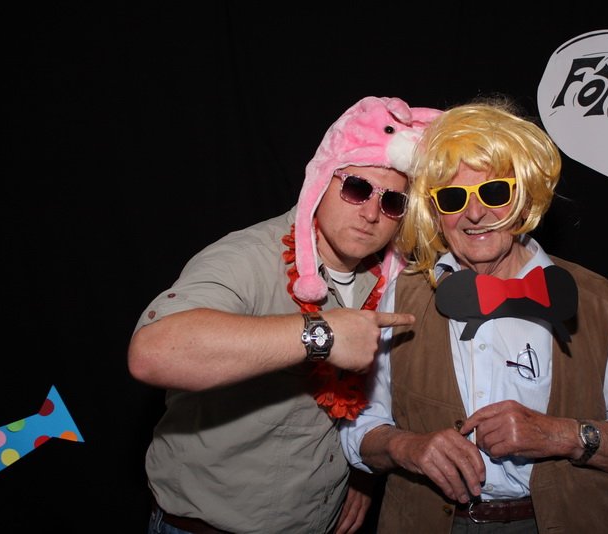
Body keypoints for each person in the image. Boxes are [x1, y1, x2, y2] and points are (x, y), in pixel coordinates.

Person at [340, 98, 608, 533]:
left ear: (524, 200)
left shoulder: (598, 304)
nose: (475, 213)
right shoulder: (402, 296)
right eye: (453, 198)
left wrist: (561, 436)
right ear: (436, 213)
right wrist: (405, 446)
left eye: (495, 192)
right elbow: (360, 425)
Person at [127, 96, 441, 534]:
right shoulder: (249, 258)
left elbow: (370, 400)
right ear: (322, 179)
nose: (371, 213)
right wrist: (321, 335)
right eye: (356, 188)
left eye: (392, 202)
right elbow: (153, 352)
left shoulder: (391, 282)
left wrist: (362, 471)